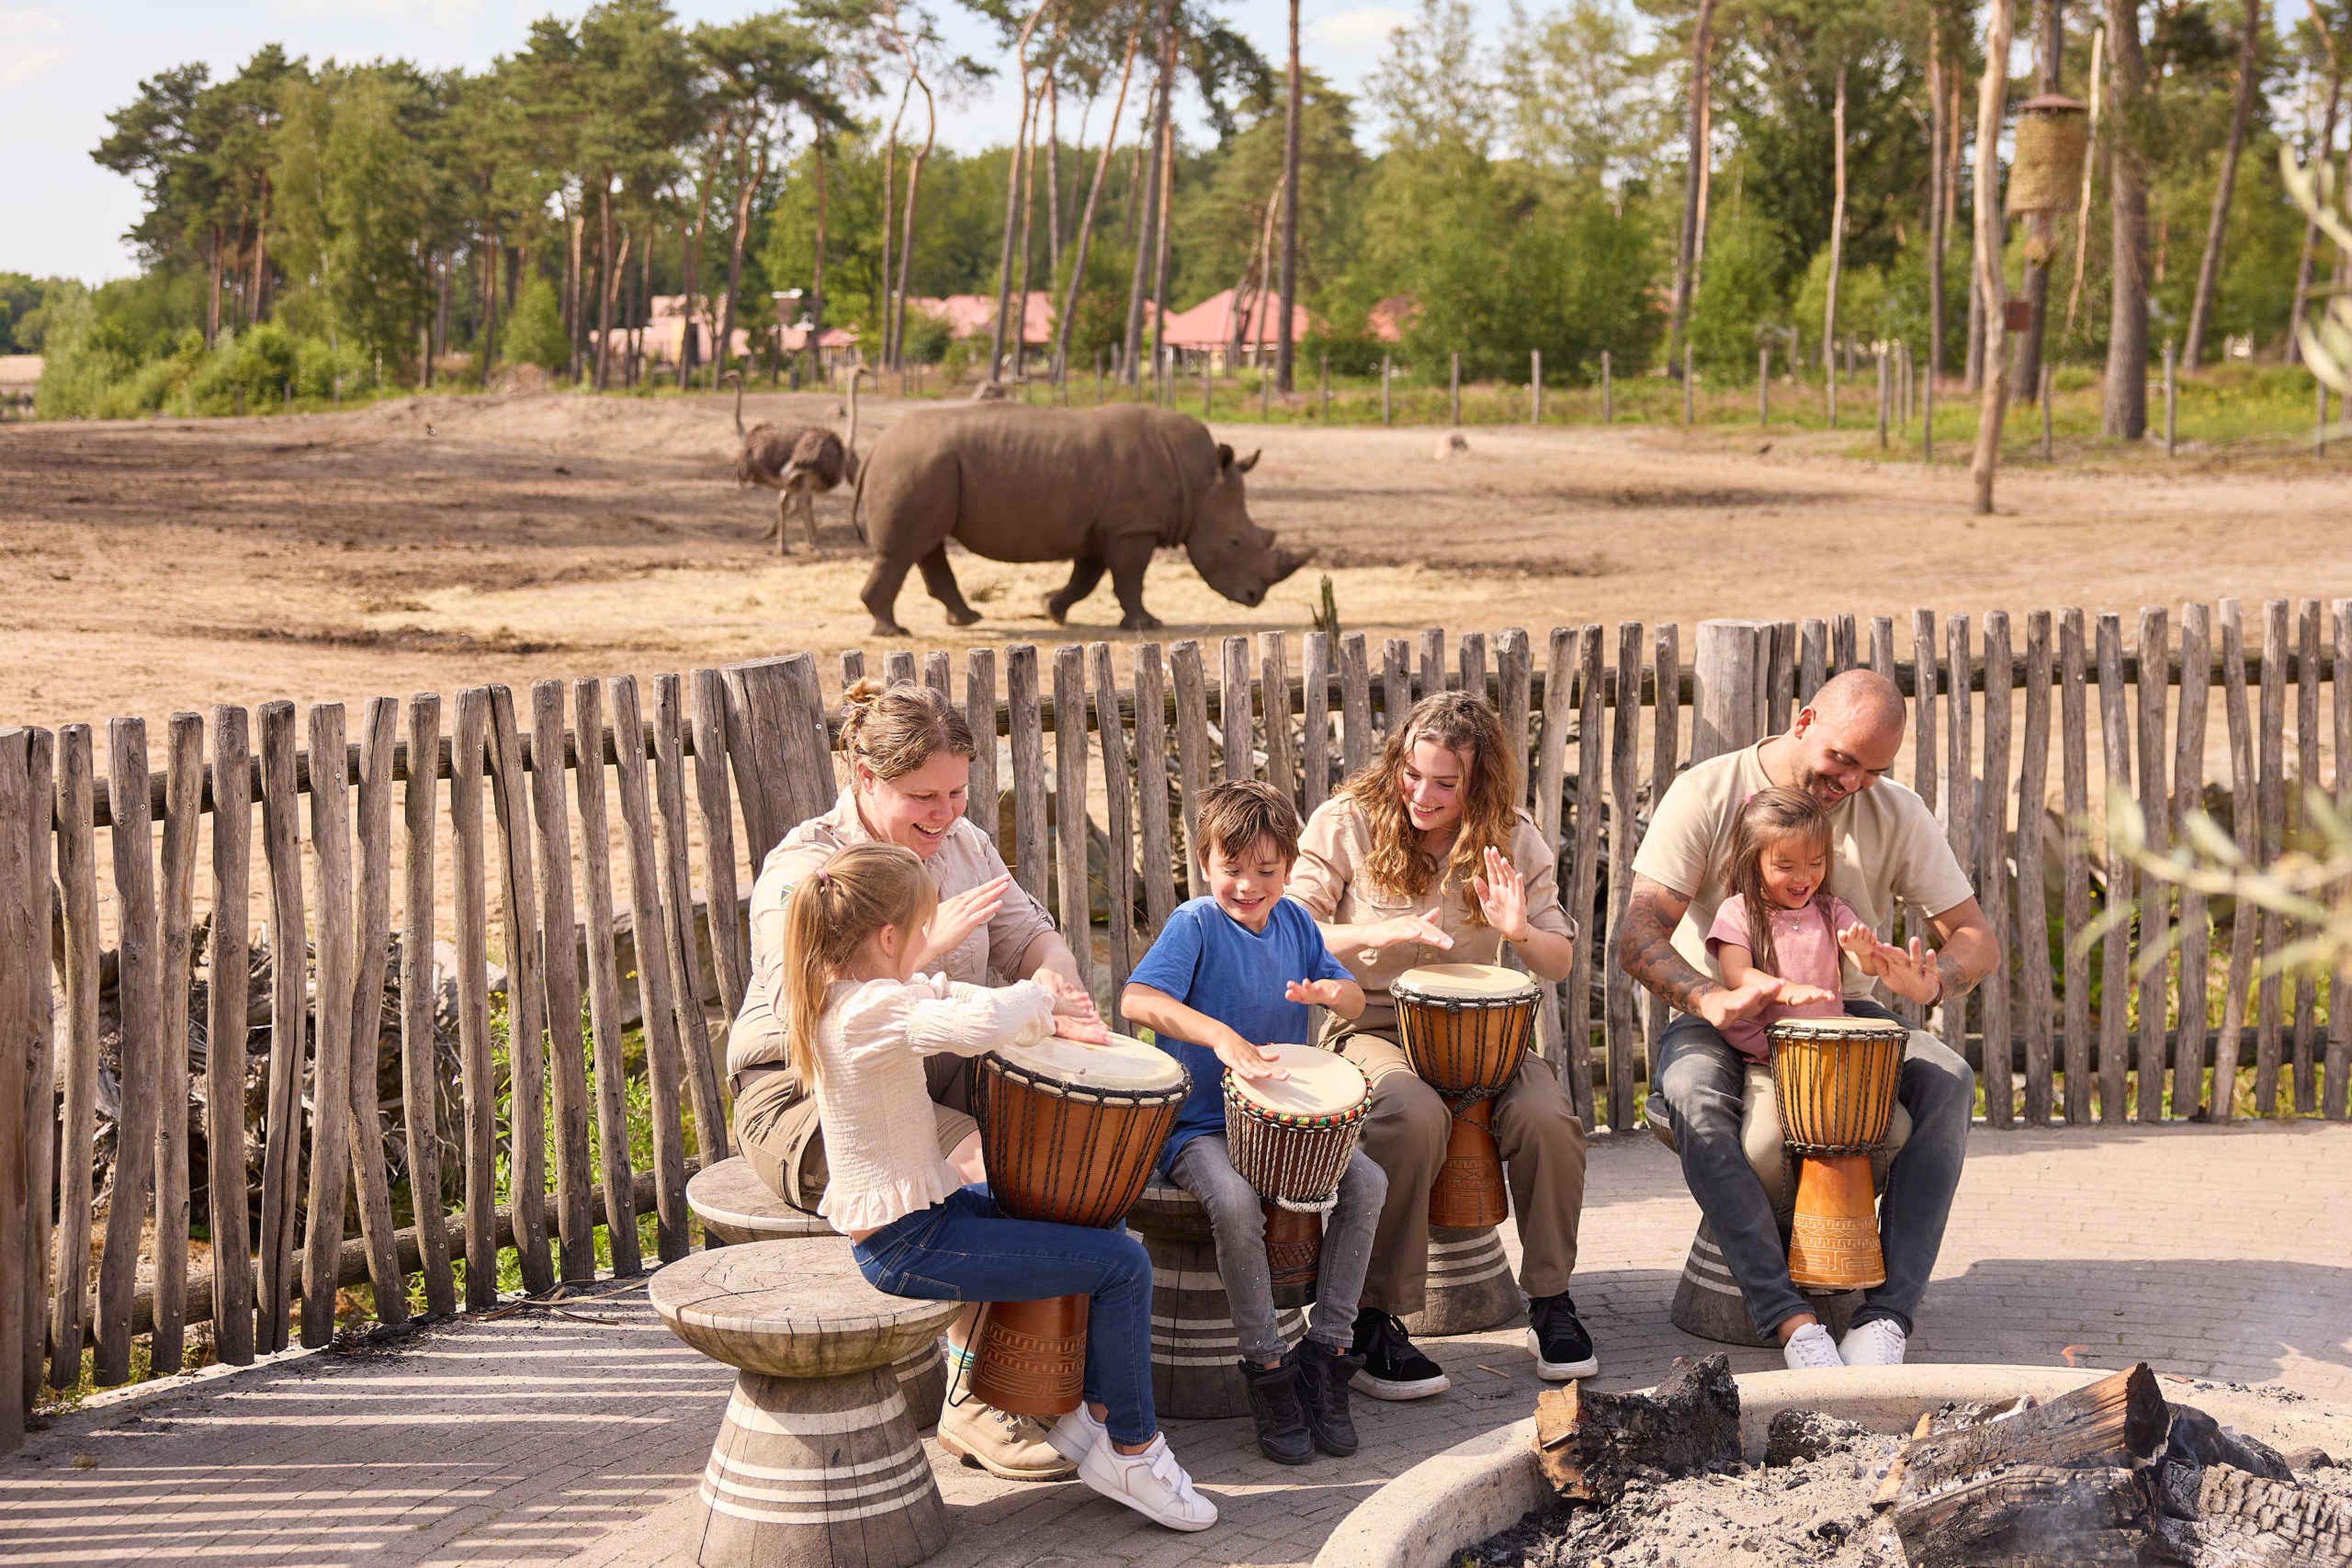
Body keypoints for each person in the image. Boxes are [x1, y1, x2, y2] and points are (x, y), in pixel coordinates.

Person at [784, 842, 1217, 1532]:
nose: (932, 943)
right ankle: (1134, 1449)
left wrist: (1049, 1018)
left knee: (1092, 1219)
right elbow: (977, 1022)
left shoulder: (856, 995)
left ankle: (1092, 1415)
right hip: (910, 1244)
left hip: (928, 1217)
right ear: (890, 937)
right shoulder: (867, 1014)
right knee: (1125, 1264)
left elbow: (949, 995)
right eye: (925, 930)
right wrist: (1039, 990)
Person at [728, 678, 1096, 1480]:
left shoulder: (963, 844)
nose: (944, 812)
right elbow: (815, 1004)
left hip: (937, 1071)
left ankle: (1046, 1371)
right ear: (863, 779)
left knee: (1061, 1160)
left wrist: (1064, 995)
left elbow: (1029, 935)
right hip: (812, 1099)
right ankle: (980, 1400)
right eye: (920, 795)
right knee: (982, 1175)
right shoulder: (809, 867)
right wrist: (928, 945)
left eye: (957, 791)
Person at [1618, 668, 1996, 1372]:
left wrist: (1935, 978)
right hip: (1719, 1008)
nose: (1853, 783)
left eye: (1873, 770)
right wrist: (1710, 998)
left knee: (1948, 1076)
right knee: (1697, 1096)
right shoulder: (1706, 792)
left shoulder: (1897, 810)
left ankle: (1887, 1318)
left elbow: (1977, 938)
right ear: (1802, 721)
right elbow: (1637, 935)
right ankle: (1791, 1320)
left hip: (1840, 1009)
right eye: (1844, 760)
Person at [1286, 690, 1597, 1399]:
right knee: (1412, 1115)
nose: (1423, 794)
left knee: (1549, 1117)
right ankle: (1371, 1319)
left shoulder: (1512, 836)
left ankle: (1551, 1302)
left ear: (1479, 783)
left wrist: (1518, 929)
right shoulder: (1346, 824)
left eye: (1446, 783)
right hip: (1369, 1025)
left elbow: (1558, 959)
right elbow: (1287, 931)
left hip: (1482, 1033)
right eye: (1413, 774)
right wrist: (1374, 935)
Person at [1121, 780, 1387, 1465]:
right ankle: (1268, 1370)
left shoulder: (1297, 923)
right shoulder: (1195, 924)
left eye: (1266, 871)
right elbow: (1137, 998)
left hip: (1286, 1128)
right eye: (1232, 868)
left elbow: (1353, 996)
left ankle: (1326, 1358)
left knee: (1368, 1183)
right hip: (1201, 1129)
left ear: (1289, 867)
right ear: (1205, 863)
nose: (1248, 884)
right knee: (1237, 1205)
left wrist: (1338, 993)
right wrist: (1218, 1036)